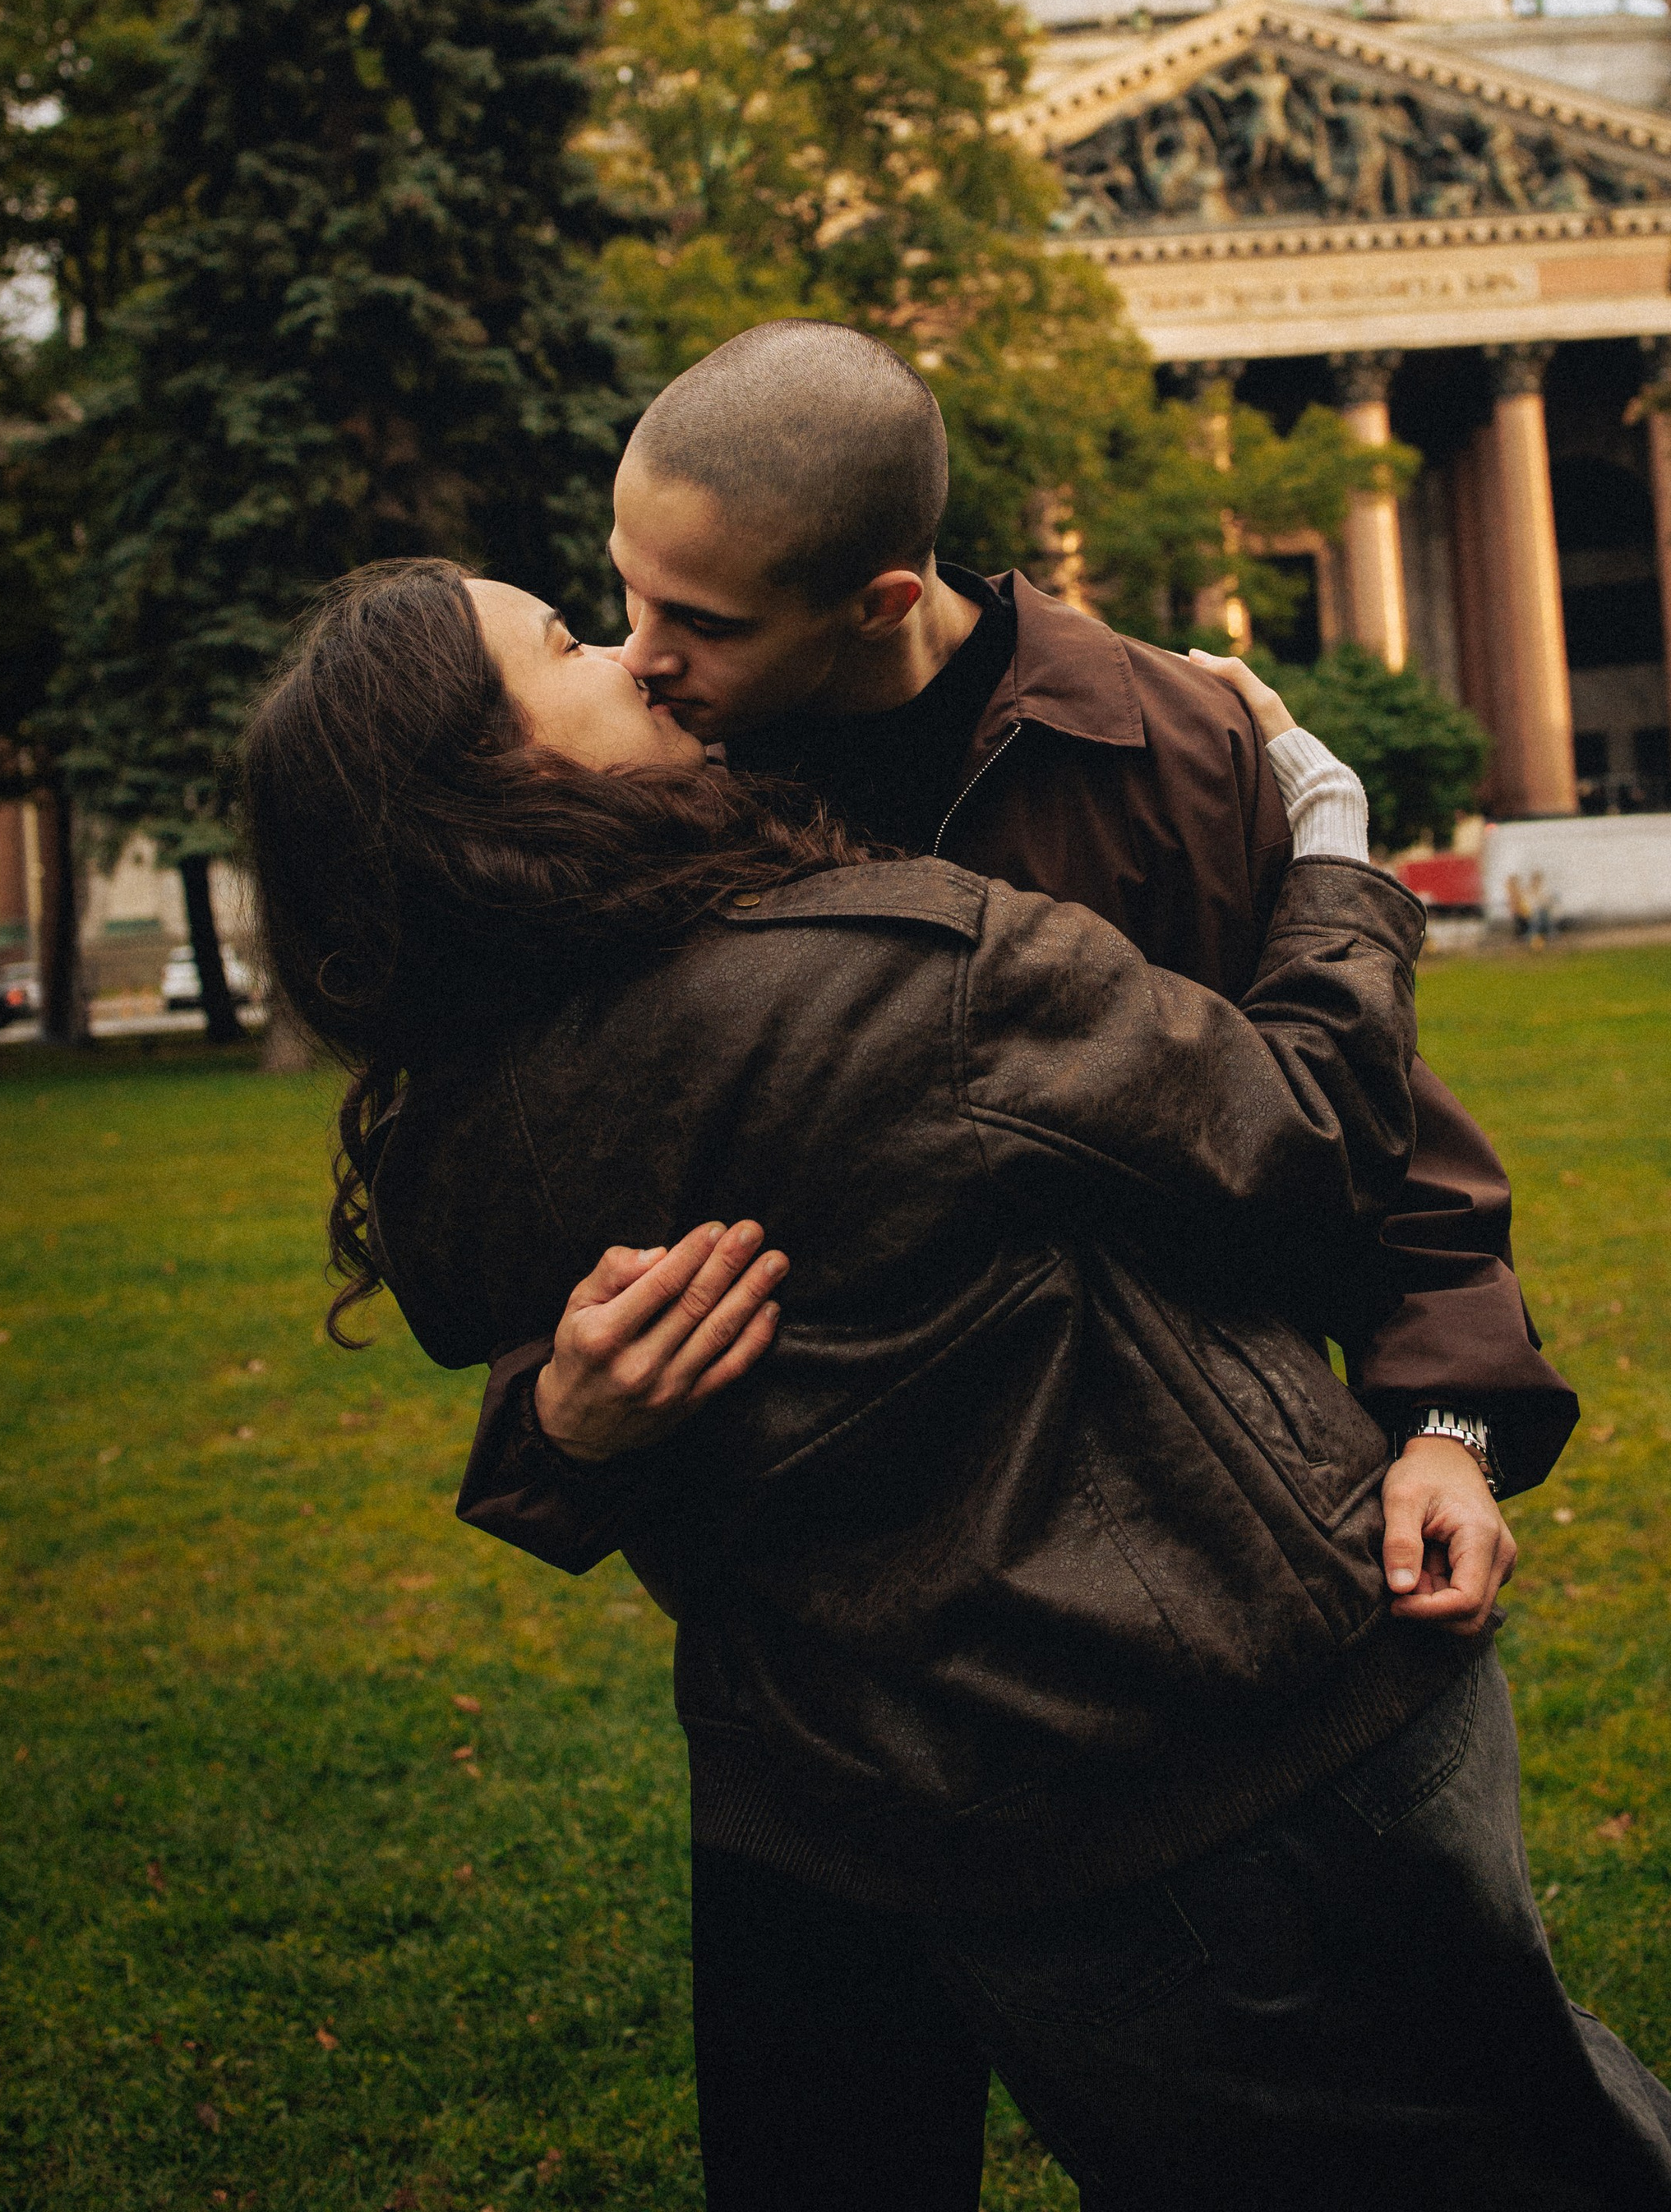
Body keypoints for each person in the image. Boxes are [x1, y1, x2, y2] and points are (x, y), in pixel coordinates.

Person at [242, 556, 1671, 2212]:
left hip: (992, 1779)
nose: (645, 657)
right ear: (503, 777)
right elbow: (1310, 1124)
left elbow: (1396, 1175)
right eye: (578, 636)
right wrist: (1332, 837)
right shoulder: (884, 955)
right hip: (1185, 1746)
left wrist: (1448, 1421)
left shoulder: (450, 1141)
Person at [454, 325, 1576, 2209]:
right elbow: (524, 1232)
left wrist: (1447, 1419)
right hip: (800, 1730)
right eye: (619, 595)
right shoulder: (645, 796)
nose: (644, 657)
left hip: (1139, 1686)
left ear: (882, 595)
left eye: (699, 622)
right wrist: (556, 1423)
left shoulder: (1167, 740)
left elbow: (1371, 1133)